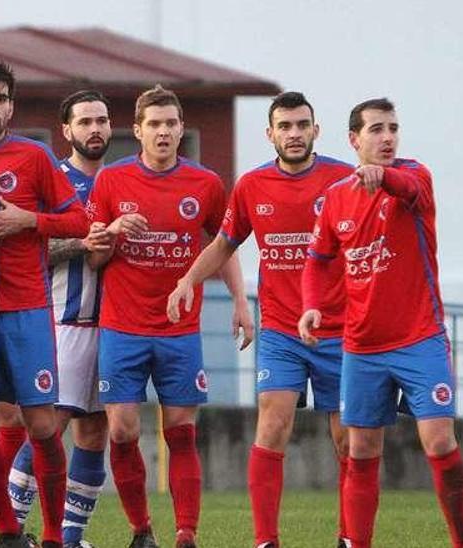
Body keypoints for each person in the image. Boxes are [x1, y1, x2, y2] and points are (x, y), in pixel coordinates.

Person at [166, 91, 355, 547]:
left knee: (349, 440)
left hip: (340, 329)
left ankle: (351, 537)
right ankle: (266, 540)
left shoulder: (343, 180)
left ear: (315, 130)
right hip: (281, 330)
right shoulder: (252, 185)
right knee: (273, 423)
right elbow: (224, 243)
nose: (294, 134)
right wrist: (187, 280)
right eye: (284, 127)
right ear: (270, 134)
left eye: (301, 125)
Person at [299, 98, 463, 548]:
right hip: (362, 346)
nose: (388, 137)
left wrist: (386, 178)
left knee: (439, 441)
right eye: (376, 129)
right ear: (354, 140)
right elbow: (317, 263)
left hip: (421, 338)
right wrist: (312, 305)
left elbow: (407, 188)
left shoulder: (414, 176)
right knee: (360, 451)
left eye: (393, 128)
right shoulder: (336, 198)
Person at [86, 85, 253, 548]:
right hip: (122, 324)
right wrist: (113, 233)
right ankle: (141, 529)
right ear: (137, 131)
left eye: (171, 124)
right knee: (121, 429)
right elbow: (93, 259)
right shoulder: (111, 181)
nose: (163, 132)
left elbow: (227, 244)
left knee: (180, 431)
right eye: (154, 124)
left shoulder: (204, 184)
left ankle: (186, 532)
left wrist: (241, 302)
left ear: (181, 129)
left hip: (180, 328)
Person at [0, 62, 90, 548]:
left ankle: (53, 537)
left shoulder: (33, 157)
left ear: (11, 105)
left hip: (28, 309)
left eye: (1, 99)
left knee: (44, 426)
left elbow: (79, 220)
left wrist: (27, 220)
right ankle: (9, 533)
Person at [5, 89, 113, 548]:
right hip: (62, 322)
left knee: (95, 431)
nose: (95, 129)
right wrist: (83, 245)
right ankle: (10, 529)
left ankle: (71, 536)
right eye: (84, 122)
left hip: (113, 326)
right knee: (52, 426)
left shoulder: (123, 180)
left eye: (102, 121)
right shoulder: (54, 180)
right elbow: (32, 249)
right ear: (66, 130)